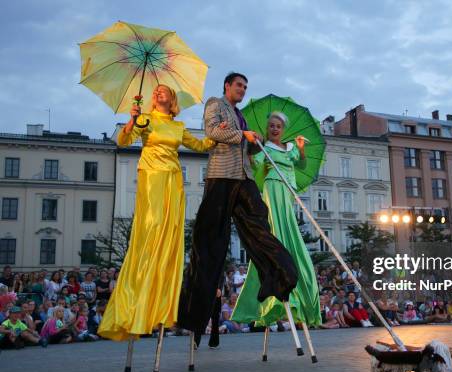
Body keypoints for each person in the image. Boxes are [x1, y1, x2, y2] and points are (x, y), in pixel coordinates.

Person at [179, 73, 298, 337]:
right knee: (210, 240)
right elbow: (211, 131)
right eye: (239, 85)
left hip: (243, 176)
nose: (243, 90)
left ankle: (277, 276)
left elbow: (242, 145)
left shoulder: (240, 114)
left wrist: (254, 142)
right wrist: (241, 134)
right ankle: (195, 309)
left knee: (259, 223)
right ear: (227, 86)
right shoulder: (215, 104)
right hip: (221, 176)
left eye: (245, 87)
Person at [98, 84, 215, 341]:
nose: (158, 93)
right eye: (156, 91)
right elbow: (123, 141)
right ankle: (140, 286)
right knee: (152, 224)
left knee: (168, 228)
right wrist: (132, 120)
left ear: (172, 98)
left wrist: (219, 135)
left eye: (164, 91)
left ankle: (163, 294)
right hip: (151, 176)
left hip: (173, 179)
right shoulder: (145, 119)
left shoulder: (178, 126)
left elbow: (199, 145)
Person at [232, 112, 321, 329]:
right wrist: (251, 149)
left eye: (278, 126)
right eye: (271, 125)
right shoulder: (265, 148)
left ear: (283, 129)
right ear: (267, 128)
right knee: (274, 228)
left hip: (287, 190)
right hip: (272, 188)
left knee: (288, 226)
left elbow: (300, 165)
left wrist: (300, 147)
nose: (274, 129)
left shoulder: (289, 148)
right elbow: (254, 164)